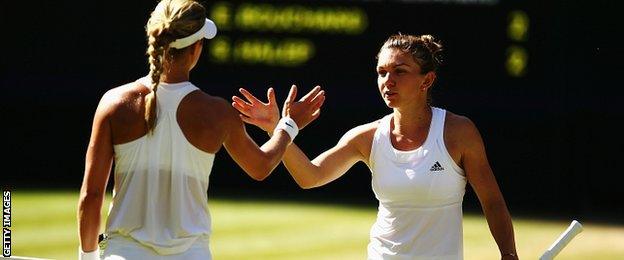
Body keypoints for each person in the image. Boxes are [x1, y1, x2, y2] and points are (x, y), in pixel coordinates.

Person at [232, 33, 519, 259]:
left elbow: (492, 201)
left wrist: (508, 254)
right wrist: (277, 128)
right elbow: (311, 176)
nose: (387, 81)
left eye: (400, 71)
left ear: (427, 80)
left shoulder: (459, 132)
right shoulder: (366, 137)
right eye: (382, 72)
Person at [76, 0, 325, 259]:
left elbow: (91, 196)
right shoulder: (217, 113)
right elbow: (260, 166)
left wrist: (88, 256)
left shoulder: (114, 103)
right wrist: (287, 125)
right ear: (195, 49)